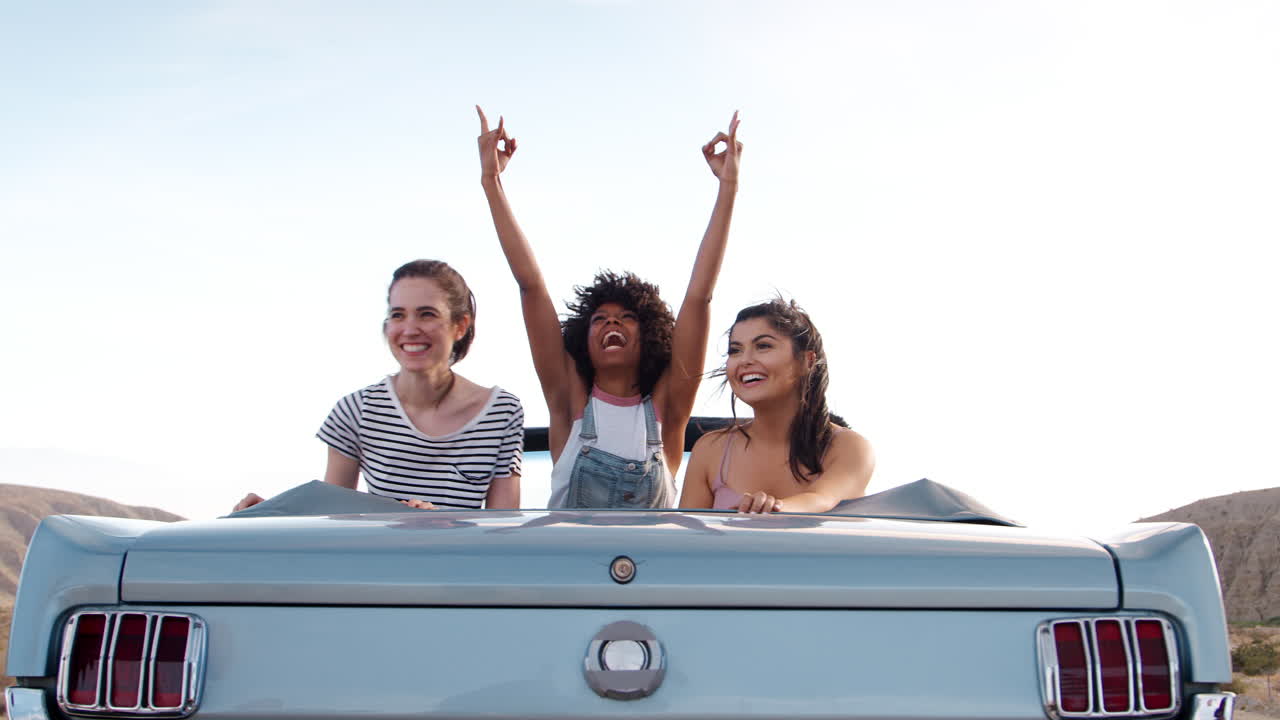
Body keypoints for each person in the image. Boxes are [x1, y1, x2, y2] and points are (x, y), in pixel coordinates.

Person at [476, 106, 740, 508]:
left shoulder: (668, 406)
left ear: (649, 334)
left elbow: (699, 297)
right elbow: (531, 286)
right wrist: (492, 181)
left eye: (626, 317)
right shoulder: (569, 396)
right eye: (599, 319)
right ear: (585, 337)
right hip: (567, 569)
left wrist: (729, 187)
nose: (611, 323)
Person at [233, 260, 524, 512]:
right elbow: (331, 520)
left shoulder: (502, 411)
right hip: (379, 571)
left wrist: (444, 524)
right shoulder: (355, 411)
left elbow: (502, 530)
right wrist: (270, 514)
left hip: (461, 570)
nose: (409, 329)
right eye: (398, 315)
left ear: (460, 326)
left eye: (427, 314)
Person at [679, 299, 874, 513]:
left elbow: (823, 499)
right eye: (735, 350)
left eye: (763, 346)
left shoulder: (850, 447)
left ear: (808, 361)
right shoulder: (710, 450)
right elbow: (688, 538)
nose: (745, 360)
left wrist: (774, 509)